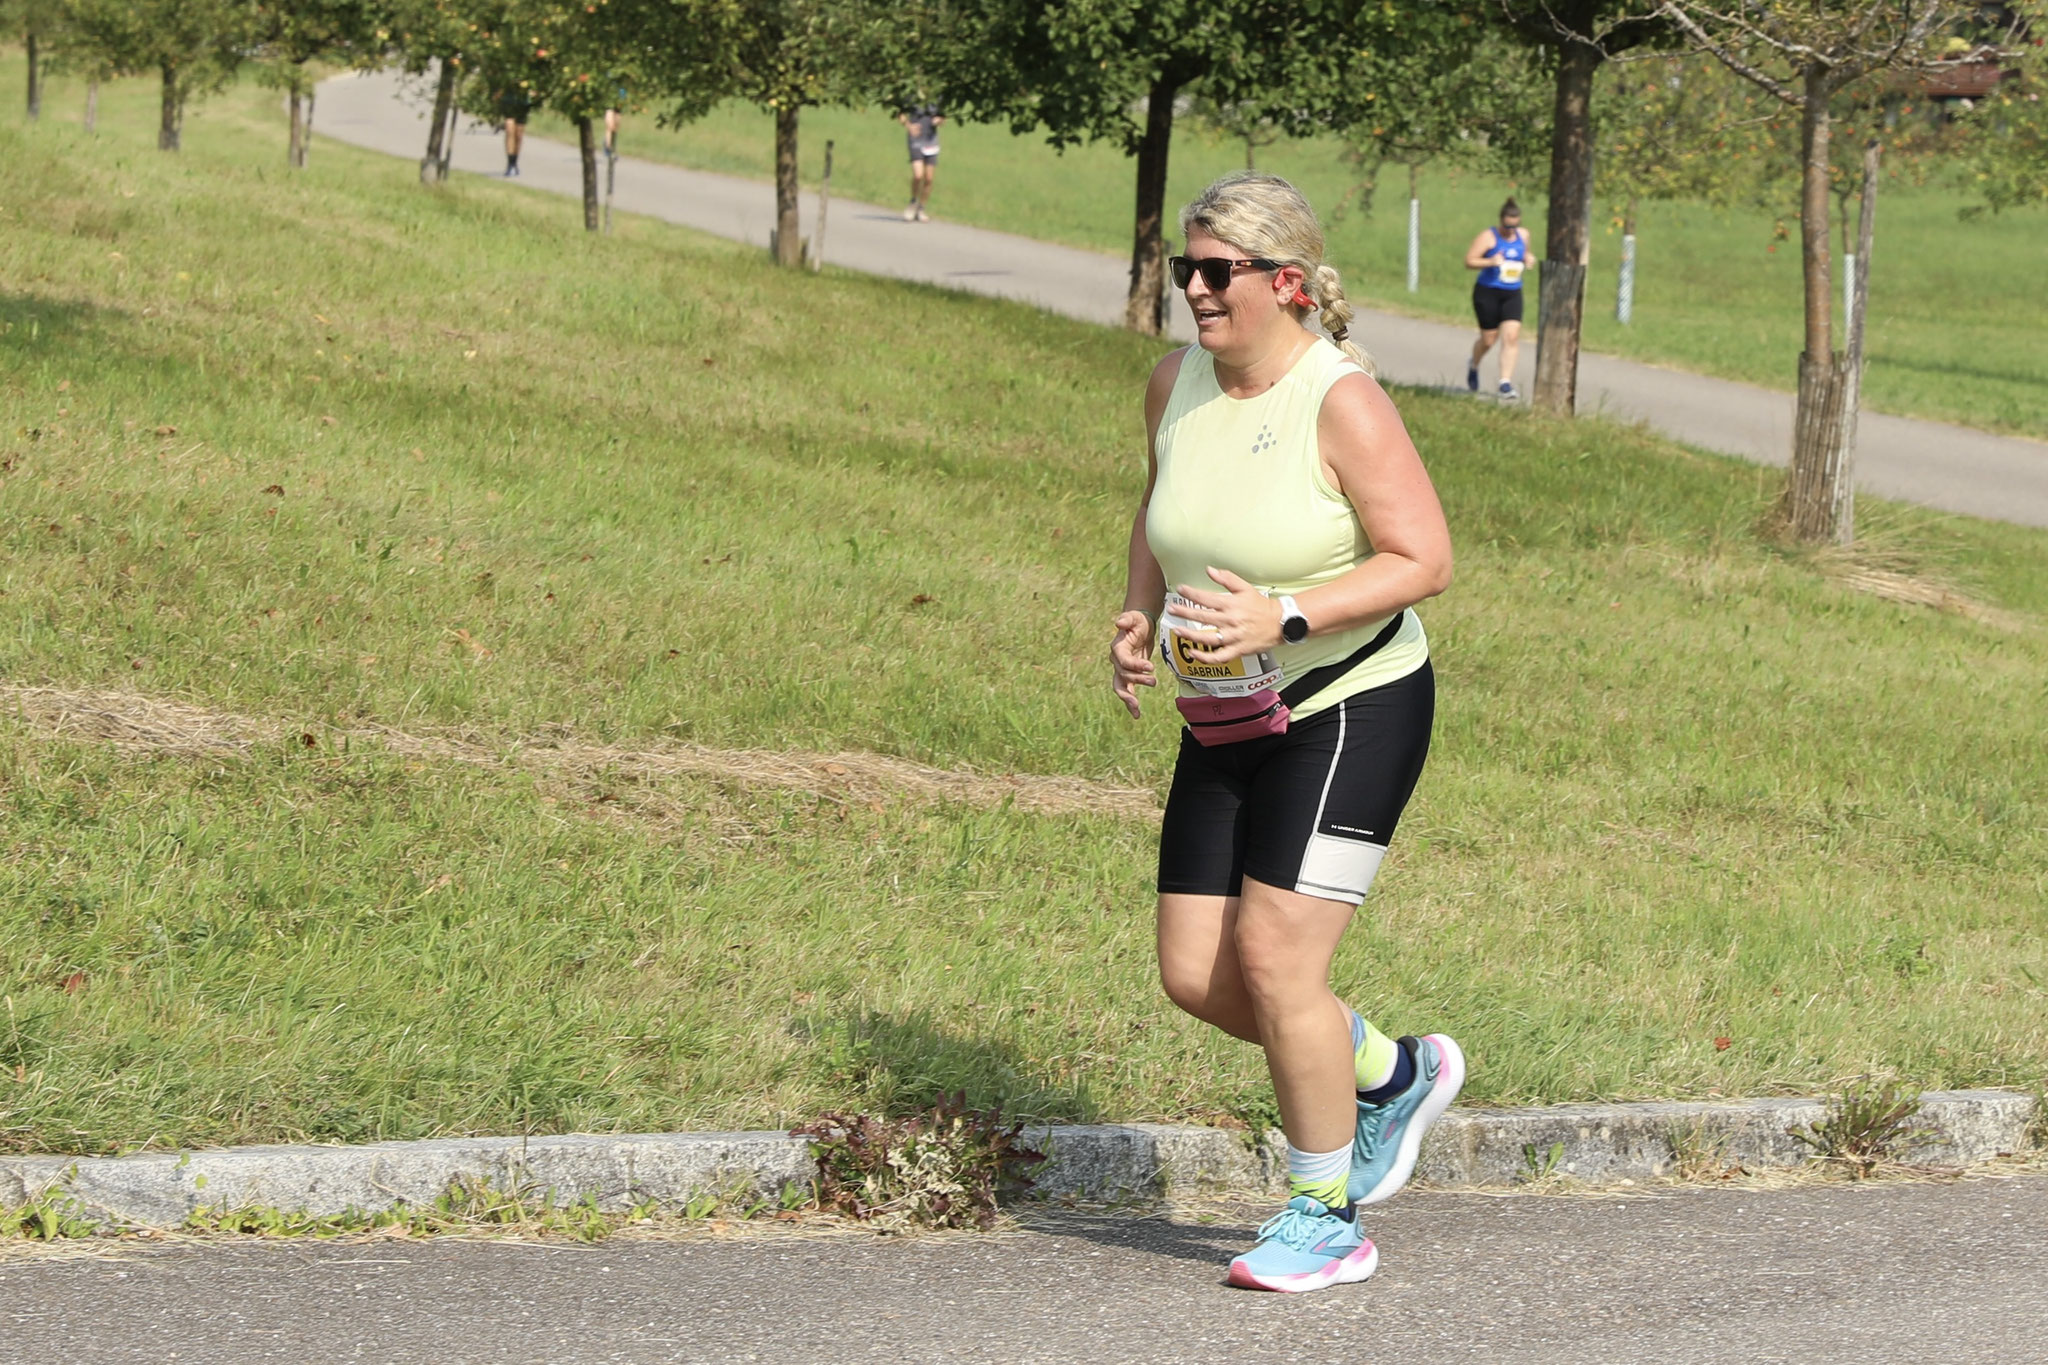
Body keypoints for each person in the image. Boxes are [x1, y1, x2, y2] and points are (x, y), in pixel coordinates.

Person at [1110, 172, 1464, 1294]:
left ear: (1288, 283)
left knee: (1275, 963)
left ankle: (1324, 1215)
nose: (1196, 291)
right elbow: (1159, 507)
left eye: (1218, 273)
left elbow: (1424, 560)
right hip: (1225, 711)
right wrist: (1133, 612)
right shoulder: (1175, 383)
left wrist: (1285, 614)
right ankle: (1384, 1072)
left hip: (1349, 703)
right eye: (1185, 270)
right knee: (1192, 974)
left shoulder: (1338, 399)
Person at [1464, 198, 1531, 401]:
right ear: (1501, 221)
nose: (1511, 230)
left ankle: (1505, 382)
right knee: (1489, 339)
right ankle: (1474, 364)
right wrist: (1490, 261)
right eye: (1508, 226)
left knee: (1511, 336)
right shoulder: (1488, 237)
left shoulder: (1524, 235)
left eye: (1515, 225)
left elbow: (1523, 253)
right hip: (1487, 292)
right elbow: (1469, 261)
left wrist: (1528, 259)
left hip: (1512, 292)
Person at [896, 103, 943, 222]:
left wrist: (939, 121)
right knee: (918, 175)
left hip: (931, 141)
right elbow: (900, 113)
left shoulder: (937, 97)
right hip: (915, 140)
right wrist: (909, 126)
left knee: (929, 179)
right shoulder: (913, 95)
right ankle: (912, 203)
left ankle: (921, 208)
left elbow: (943, 117)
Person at [495, 85, 532, 177]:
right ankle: (510, 163)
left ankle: (514, 162)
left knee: (518, 135)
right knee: (509, 128)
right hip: (508, 101)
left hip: (523, 103)